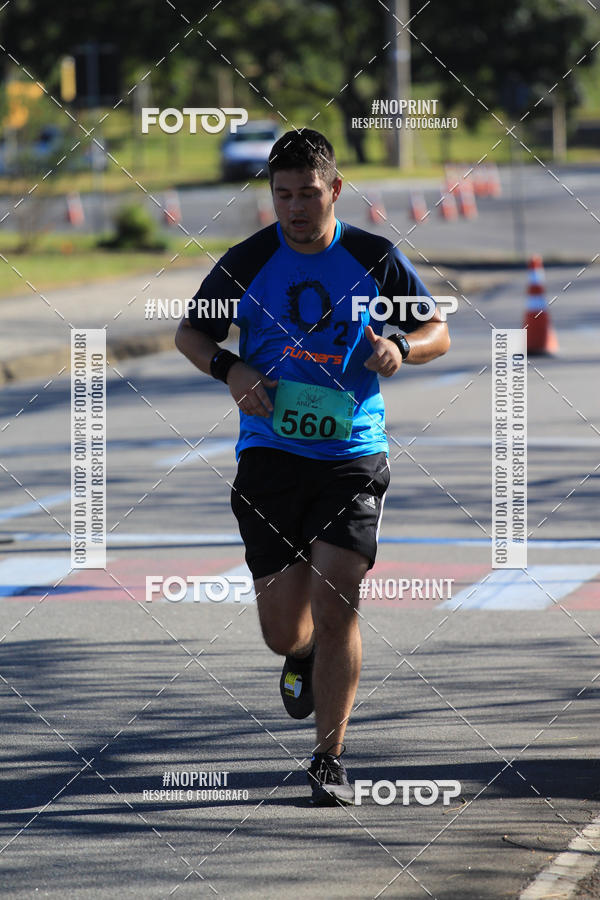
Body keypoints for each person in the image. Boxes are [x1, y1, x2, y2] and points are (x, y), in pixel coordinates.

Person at [175, 128, 450, 806]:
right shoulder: (247, 259)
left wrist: (399, 348)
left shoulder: (373, 256)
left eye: (307, 194)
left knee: (340, 596)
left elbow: (437, 331)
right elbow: (190, 332)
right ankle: (299, 657)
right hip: (271, 453)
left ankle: (329, 756)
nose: (295, 208)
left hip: (353, 453)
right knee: (283, 629)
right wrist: (231, 367)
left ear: (335, 190)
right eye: (283, 195)